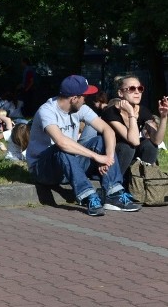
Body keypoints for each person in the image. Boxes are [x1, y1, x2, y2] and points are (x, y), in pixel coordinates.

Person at [25, 75, 140, 216]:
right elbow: (61, 142)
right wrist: (96, 157)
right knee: (62, 147)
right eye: (84, 96)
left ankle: (113, 193)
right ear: (74, 98)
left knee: (100, 141)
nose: (86, 99)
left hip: (70, 165)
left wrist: (108, 156)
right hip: (44, 169)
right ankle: (88, 196)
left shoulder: (80, 108)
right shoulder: (47, 111)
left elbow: (107, 130)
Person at [101, 75, 167, 178]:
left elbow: (157, 141)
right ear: (120, 93)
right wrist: (131, 113)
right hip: (113, 156)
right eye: (132, 89)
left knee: (150, 145)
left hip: (132, 155)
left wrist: (163, 117)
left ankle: (144, 181)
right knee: (127, 147)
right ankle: (115, 183)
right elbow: (134, 141)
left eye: (140, 88)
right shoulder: (111, 112)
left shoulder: (143, 110)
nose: (137, 92)